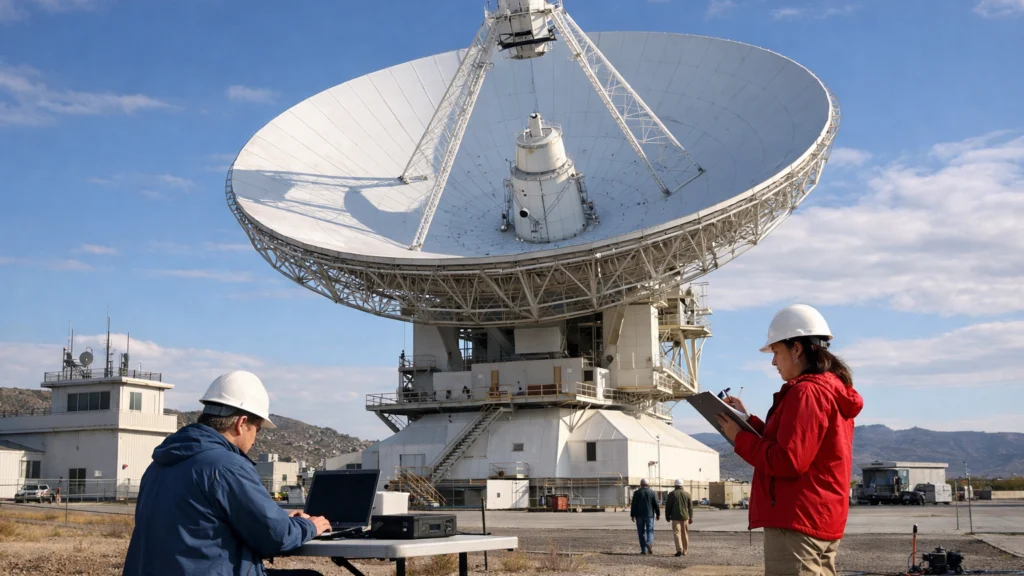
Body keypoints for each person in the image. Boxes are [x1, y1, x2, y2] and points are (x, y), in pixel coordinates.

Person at [124, 370, 331, 576]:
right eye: (257, 430)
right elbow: (276, 537)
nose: (255, 440)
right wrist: (308, 526)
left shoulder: (159, 465)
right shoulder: (227, 466)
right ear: (241, 424)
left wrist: (281, 519)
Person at [717, 304, 863, 576]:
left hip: (796, 521)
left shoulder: (806, 393)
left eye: (776, 352)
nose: (773, 362)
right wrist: (747, 421)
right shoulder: (830, 391)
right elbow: (796, 445)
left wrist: (740, 439)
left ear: (796, 349)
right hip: (820, 516)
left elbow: (788, 460)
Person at [630, 478, 660, 555]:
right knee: (650, 530)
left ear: (640, 484)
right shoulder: (652, 492)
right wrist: (658, 514)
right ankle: (649, 543)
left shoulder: (636, 493)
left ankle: (643, 549)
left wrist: (632, 515)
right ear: (648, 484)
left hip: (639, 515)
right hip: (649, 515)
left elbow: (633, 505)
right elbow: (656, 504)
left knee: (641, 532)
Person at [664, 479, 693, 557]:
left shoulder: (672, 494)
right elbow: (690, 507)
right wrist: (691, 517)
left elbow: (668, 506)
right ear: (682, 485)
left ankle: (679, 549)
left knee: (677, 533)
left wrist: (667, 516)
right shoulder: (687, 494)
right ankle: (685, 550)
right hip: (685, 517)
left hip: (675, 517)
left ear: (675, 485)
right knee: (685, 533)